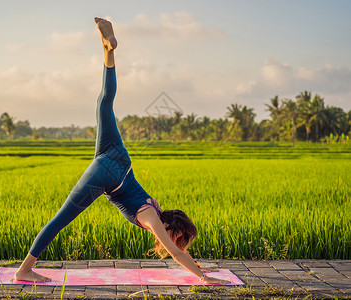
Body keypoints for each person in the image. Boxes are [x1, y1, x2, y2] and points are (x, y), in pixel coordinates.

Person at [14, 17, 230, 285]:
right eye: (178, 238)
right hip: (109, 175)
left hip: (117, 155)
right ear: (172, 231)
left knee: (104, 102)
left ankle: (108, 51)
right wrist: (202, 277)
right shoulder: (152, 218)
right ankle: (24, 270)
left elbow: (177, 250)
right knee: (59, 220)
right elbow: (175, 253)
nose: (173, 243)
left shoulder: (155, 207)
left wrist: (198, 265)